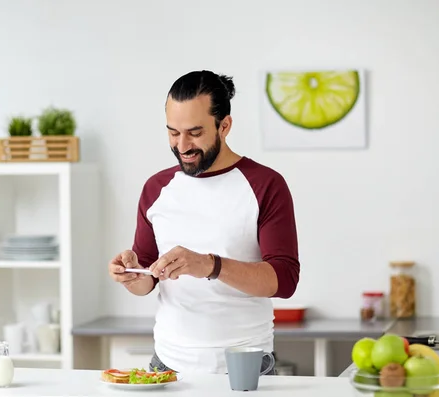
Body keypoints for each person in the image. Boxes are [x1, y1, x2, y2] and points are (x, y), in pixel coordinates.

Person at [108, 70, 300, 375]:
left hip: (245, 367)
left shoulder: (265, 184)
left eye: (195, 132)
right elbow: (148, 278)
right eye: (173, 132)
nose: (182, 145)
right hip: (166, 367)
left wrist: (211, 265)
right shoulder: (156, 188)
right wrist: (132, 274)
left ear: (224, 126)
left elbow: (285, 279)